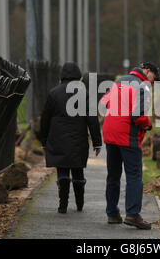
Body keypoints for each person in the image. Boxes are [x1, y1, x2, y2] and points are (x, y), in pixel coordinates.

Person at [101, 63, 160, 230]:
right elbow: (138, 115)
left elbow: (103, 102)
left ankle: (112, 213)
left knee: (113, 175)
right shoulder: (143, 86)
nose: (153, 83)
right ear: (148, 72)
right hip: (127, 134)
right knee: (134, 175)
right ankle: (133, 214)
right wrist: (148, 125)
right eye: (154, 79)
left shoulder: (118, 82)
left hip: (109, 132)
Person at [40, 62, 102, 214]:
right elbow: (92, 119)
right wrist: (97, 142)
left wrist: (44, 140)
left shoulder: (53, 93)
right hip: (78, 137)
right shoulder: (85, 93)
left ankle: (63, 205)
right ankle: (80, 203)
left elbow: (45, 118)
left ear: (62, 75)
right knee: (77, 168)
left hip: (57, 137)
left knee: (62, 167)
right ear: (78, 76)